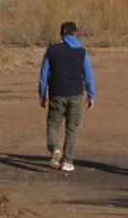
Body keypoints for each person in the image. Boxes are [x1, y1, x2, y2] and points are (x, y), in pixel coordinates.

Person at [39, 21, 95, 172]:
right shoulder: (82, 52)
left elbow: (43, 75)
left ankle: (55, 148)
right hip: (76, 93)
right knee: (72, 128)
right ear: (75, 33)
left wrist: (42, 94)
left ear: (61, 34)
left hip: (56, 93)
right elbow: (88, 76)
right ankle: (67, 161)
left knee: (53, 125)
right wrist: (91, 96)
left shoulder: (51, 50)